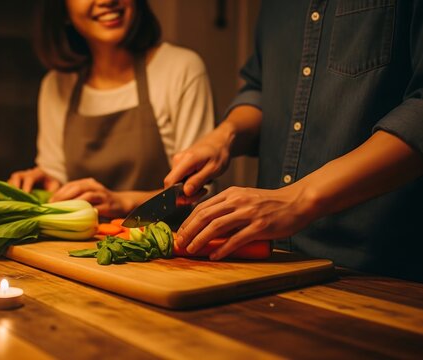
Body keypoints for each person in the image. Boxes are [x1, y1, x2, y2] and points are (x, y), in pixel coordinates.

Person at [165, 1, 423, 282]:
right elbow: (259, 88)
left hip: (378, 270)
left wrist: (298, 199)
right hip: (273, 261)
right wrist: (225, 135)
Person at [8, 0, 214, 218]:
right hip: (73, 248)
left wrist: (123, 202)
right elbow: (56, 175)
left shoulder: (181, 69)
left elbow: (200, 192)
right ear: (63, 10)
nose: (107, 1)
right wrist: (45, 181)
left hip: (164, 245)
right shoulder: (57, 84)